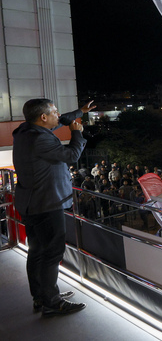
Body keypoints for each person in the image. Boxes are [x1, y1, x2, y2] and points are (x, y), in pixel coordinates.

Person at [13, 98, 95, 316]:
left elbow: (58, 121)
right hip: (46, 203)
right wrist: (76, 133)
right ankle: (52, 302)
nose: (58, 115)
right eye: (55, 111)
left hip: (31, 202)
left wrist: (80, 111)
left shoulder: (25, 131)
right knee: (52, 252)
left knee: (37, 251)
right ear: (43, 117)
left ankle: (41, 296)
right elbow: (72, 155)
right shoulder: (40, 139)